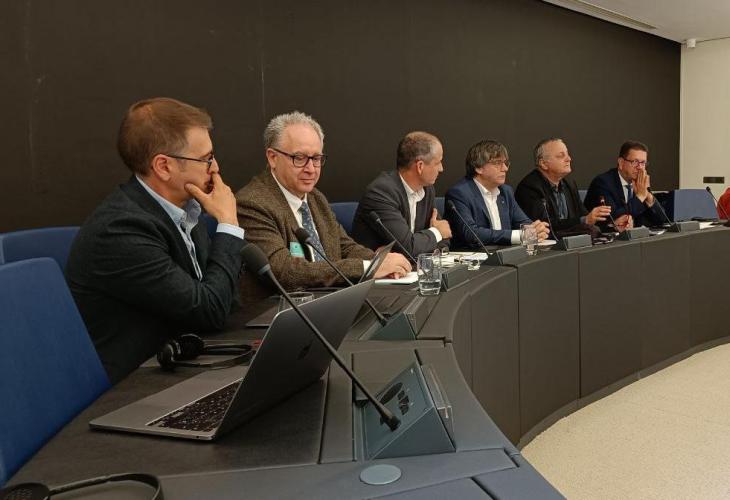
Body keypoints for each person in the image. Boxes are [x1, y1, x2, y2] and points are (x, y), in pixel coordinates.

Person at [65, 97, 245, 384]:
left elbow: (225, 300)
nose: (215, 168)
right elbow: (209, 310)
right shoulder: (121, 230)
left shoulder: (186, 208)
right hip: (133, 386)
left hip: (181, 362)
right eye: (206, 159)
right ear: (163, 166)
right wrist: (229, 224)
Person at [236, 111, 411, 303]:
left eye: (316, 158)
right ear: (272, 157)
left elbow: (344, 246)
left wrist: (381, 262)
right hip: (279, 310)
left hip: (329, 302)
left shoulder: (315, 197)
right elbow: (284, 271)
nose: (311, 169)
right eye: (299, 158)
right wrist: (367, 267)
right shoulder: (253, 203)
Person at [351, 131, 451, 257]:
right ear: (420, 166)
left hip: (410, 266)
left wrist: (434, 238)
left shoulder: (427, 189)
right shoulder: (382, 192)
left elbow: (444, 239)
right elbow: (408, 247)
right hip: (378, 267)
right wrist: (436, 232)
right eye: (437, 163)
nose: (441, 168)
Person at [445, 139, 549, 248]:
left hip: (504, 253)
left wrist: (536, 230)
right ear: (478, 167)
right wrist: (519, 235)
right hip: (474, 255)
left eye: (506, 163)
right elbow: (471, 233)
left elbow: (523, 223)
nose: (505, 168)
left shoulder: (506, 191)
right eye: (497, 163)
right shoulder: (459, 194)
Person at [515, 138, 611, 237]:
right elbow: (546, 225)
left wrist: (605, 221)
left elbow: (583, 214)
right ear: (543, 164)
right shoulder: (529, 187)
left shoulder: (569, 183)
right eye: (561, 156)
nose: (569, 159)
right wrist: (583, 220)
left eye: (567, 154)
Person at [584, 140, 664, 230]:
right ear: (621, 162)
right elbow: (614, 219)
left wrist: (648, 196)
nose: (640, 167)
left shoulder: (640, 184)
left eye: (643, 163)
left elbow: (662, 220)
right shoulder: (603, 183)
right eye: (635, 162)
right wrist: (640, 196)